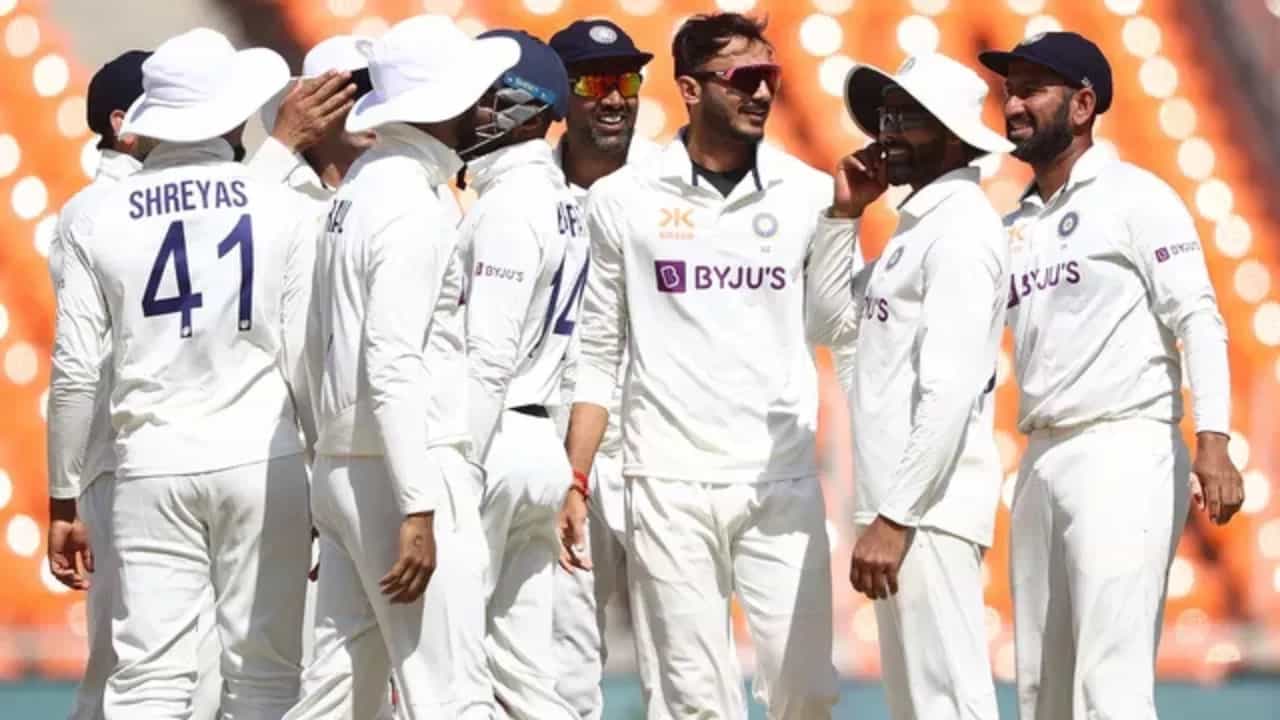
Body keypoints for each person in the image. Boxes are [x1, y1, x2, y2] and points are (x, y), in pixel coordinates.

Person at [558, 12, 859, 719]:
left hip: (779, 475)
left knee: (807, 692)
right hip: (666, 481)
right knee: (693, 701)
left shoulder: (810, 193)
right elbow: (598, 349)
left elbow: (836, 328)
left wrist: (846, 223)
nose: (763, 93)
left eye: (769, 77)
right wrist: (575, 476)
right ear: (691, 89)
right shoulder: (624, 199)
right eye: (743, 78)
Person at [48, 28, 315, 718]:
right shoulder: (285, 204)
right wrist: (321, 475)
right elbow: (303, 355)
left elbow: (75, 372)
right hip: (263, 458)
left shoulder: (91, 214)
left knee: (148, 683)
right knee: (266, 679)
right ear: (228, 114)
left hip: (151, 463)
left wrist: (63, 497)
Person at [977, 31, 1244, 719]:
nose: (1014, 105)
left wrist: (1214, 439)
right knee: (1042, 693)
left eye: (1032, 90)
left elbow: (1199, 317)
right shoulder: (1013, 224)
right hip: (1040, 456)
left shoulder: (1136, 196)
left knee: (1110, 687)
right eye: (1010, 91)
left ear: (1082, 104)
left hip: (1123, 447)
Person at [281, 15, 519, 720]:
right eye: (476, 93)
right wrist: (418, 503)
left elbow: (311, 339)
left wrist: (330, 465)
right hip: (407, 468)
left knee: (334, 699)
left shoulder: (355, 191)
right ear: (443, 103)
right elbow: (392, 356)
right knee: (453, 695)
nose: (487, 106)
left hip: (345, 467)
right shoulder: (413, 203)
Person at [45, 48, 222, 720]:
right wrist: (66, 494)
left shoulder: (114, 207)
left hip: (150, 459)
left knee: (144, 667)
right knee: (137, 669)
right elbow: (78, 367)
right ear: (124, 124)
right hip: (128, 461)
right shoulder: (99, 211)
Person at [841, 53, 1012, 720]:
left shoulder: (962, 230)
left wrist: (896, 517)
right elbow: (829, 320)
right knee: (918, 706)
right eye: (886, 117)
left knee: (950, 703)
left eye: (907, 119)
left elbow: (951, 390)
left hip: (925, 514)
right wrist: (842, 218)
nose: (887, 134)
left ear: (954, 136)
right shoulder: (917, 230)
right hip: (903, 509)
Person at [453, 29, 584, 720]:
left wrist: (455, 469)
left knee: (452, 665)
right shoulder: (562, 201)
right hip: (537, 446)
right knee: (528, 679)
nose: (465, 110)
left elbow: (488, 354)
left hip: (493, 439)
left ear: (525, 107)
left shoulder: (508, 205)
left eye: (482, 97)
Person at [545, 18, 659, 718]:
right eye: (595, 82)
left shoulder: (672, 185)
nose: (615, 97)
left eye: (627, 80)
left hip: (657, 451)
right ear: (561, 95)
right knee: (564, 666)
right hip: (561, 453)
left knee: (681, 664)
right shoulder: (522, 188)